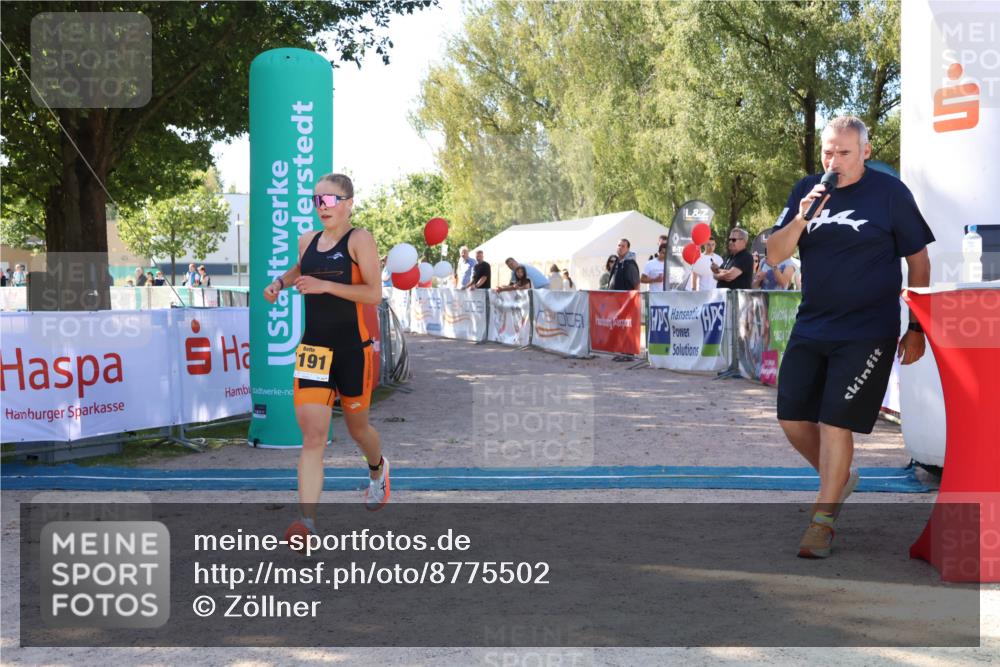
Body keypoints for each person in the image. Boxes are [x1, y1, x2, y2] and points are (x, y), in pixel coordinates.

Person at [767, 115, 933, 559]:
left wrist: (917, 327)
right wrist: (803, 216)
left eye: (843, 151)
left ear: (865, 152)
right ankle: (838, 480)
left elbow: (919, 264)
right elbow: (774, 255)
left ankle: (822, 520)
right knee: (791, 418)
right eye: (827, 151)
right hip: (813, 323)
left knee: (835, 421)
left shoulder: (890, 194)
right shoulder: (807, 190)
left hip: (868, 330)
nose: (833, 160)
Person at [262, 172, 390, 541]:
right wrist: (281, 283)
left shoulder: (360, 239)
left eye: (330, 200)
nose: (322, 207)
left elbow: (372, 295)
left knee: (358, 429)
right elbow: (304, 268)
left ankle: (378, 470)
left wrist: (325, 287)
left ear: (349, 203)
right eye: (316, 200)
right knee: (313, 437)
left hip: (353, 349)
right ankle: (307, 525)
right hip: (314, 350)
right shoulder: (307, 241)